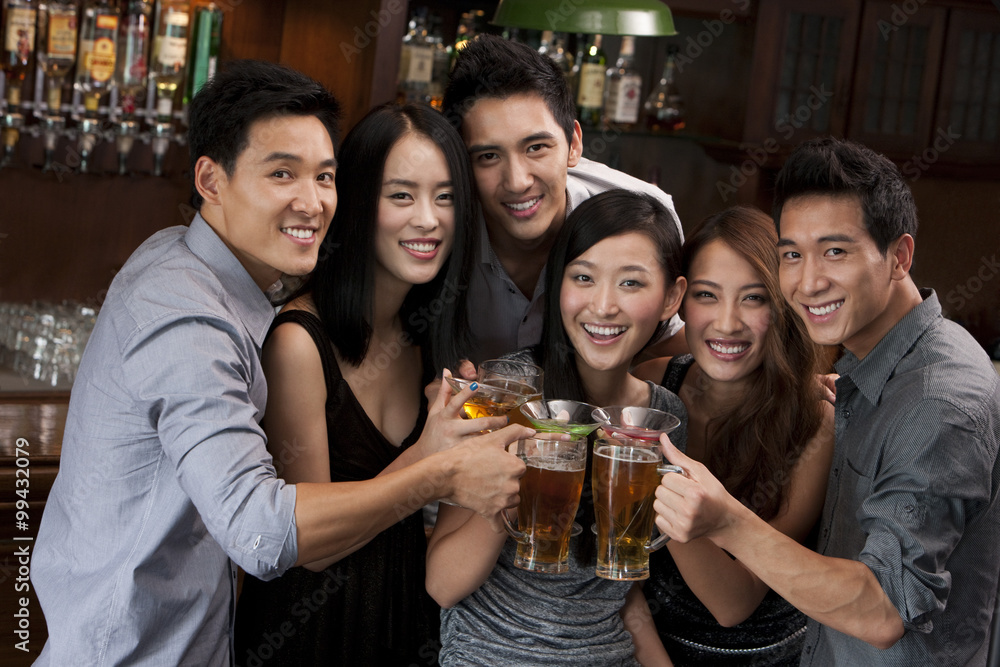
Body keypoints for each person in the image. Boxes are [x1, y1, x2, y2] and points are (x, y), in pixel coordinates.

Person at [30, 61, 529, 665]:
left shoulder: (197, 264)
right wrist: (439, 470)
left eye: (324, 177)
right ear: (211, 180)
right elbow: (259, 531)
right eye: (281, 174)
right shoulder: (186, 316)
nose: (312, 201)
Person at [653, 137, 1000, 666]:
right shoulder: (866, 370)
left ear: (899, 256)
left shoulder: (939, 401)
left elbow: (884, 611)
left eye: (835, 251)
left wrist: (725, 521)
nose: (809, 281)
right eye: (792, 254)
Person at [233, 102, 503, 665]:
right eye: (401, 195)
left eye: (446, 197)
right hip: (308, 630)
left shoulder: (434, 342)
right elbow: (311, 549)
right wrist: (434, 462)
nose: (428, 219)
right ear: (357, 204)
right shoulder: (298, 344)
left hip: (406, 619)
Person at [426, 189, 688, 666]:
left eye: (631, 283)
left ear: (672, 296)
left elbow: (620, 589)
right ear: (556, 284)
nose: (603, 306)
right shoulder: (503, 393)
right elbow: (442, 584)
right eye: (583, 278)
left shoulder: (661, 419)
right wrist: (514, 477)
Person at [633, 206, 834, 665]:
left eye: (754, 298)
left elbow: (733, 603)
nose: (727, 323)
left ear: (782, 304)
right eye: (707, 295)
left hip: (762, 655)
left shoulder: (814, 422)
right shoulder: (650, 385)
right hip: (647, 650)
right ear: (681, 299)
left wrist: (658, 475)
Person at [441, 34, 688, 364]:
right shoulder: (438, 227)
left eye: (536, 148)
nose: (517, 182)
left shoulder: (644, 218)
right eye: (488, 156)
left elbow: (667, 346)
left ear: (573, 144)